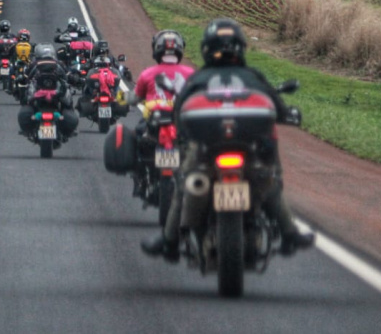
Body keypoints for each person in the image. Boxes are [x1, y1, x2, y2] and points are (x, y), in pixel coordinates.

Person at [141, 18, 315, 260]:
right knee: (269, 182)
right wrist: (287, 114)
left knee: (186, 184)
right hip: (245, 149)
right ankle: (289, 232)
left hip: (208, 149)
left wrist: (181, 131)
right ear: (241, 46)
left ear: (206, 48)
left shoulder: (199, 78)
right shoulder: (252, 76)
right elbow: (277, 105)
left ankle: (169, 239)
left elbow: (179, 111)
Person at [125, 30, 196, 199]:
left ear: (156, 50)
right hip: (182, 123)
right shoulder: (190, 74)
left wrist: (124, 99)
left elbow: (135, 98)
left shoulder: (147, 73)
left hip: (154, 122)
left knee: (135, 139)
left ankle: (140, 179)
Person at [18, 43, 79, 139]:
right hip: (57, 97)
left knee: (27, 103)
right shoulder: (59, 64)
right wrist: (75, 80)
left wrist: (21, 81)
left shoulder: (33, 65)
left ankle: (30, 128)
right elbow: (69, 77)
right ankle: (68, 130)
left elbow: (24, 78)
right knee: (68, 106)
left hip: (39, 98)